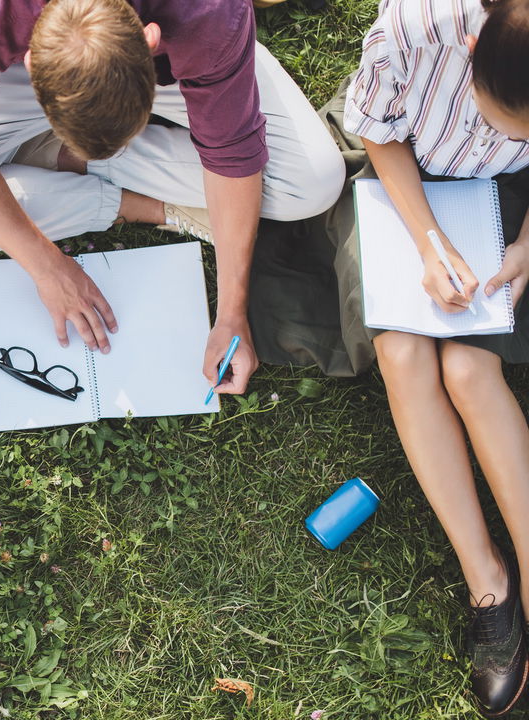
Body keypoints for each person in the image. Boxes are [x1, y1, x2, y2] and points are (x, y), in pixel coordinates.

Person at [0, 0, 344, 396]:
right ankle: (125, 195)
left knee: (313, 183)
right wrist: (46, 264)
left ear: (150, 41)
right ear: (31, 63)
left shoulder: (210, 15)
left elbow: (235, 153)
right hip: (15, 70)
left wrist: (231, 313)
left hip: (175, 56)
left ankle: (58, 159)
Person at [340, 0, 529, 713]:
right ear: (474, 46)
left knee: (470, 369)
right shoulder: (413, 29)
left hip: (509, 200)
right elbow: (380, 136)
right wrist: (427, 242)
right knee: (406, 354)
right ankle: (487, 577)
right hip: (405, 185)